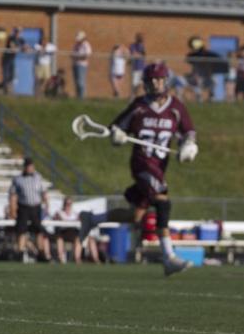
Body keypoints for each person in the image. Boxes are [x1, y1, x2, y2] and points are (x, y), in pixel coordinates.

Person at [79, 62, 198, 276]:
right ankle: (169, 257)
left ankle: (92, 219)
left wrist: (189, 146)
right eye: (151, 81)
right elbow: (115, 129)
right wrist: (118, 136)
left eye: (159, 80)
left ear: (166, 81)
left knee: (135, 216)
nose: (155, 84)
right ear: (145, 83)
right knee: (163, 203)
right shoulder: (139, 106)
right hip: (142, 164)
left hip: (160, 167)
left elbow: (188, 132)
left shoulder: (176, 107)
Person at [8, 157, 50, 262]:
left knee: (38, 230)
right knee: (21, 230)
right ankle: (20, 252)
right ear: (25, 167)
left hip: (36, 206)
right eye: (28, 166)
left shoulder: (38, 177)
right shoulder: (18, 179)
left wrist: (46, 205)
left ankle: (40, 252)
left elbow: (43, 192)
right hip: (23, 207)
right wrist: (12, 209)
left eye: (31, 166)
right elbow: (13, 195)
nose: (30, 168)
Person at [0, 27, 21, 94]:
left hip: (12, 59)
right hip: (6, 59)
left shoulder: (19, 39)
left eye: (19, 32)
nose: (18, 33)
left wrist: (25, 48)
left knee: (12, 76)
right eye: (17, 32)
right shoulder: (11, 38)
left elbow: (25, 46)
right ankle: (4, 90)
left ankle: (0, 86)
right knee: (6, 76)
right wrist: (18, 49)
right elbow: (12, 47)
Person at [71, 31, 91, 99]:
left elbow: (86, 56)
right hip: (75, 64)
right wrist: (75, 56)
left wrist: (77, 57)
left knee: (81, 82)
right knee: (76, 82)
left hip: (82, 65)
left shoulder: (86, 44)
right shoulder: (76, 44)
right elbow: (72, 54)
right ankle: (78, 97)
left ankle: (82, 97)